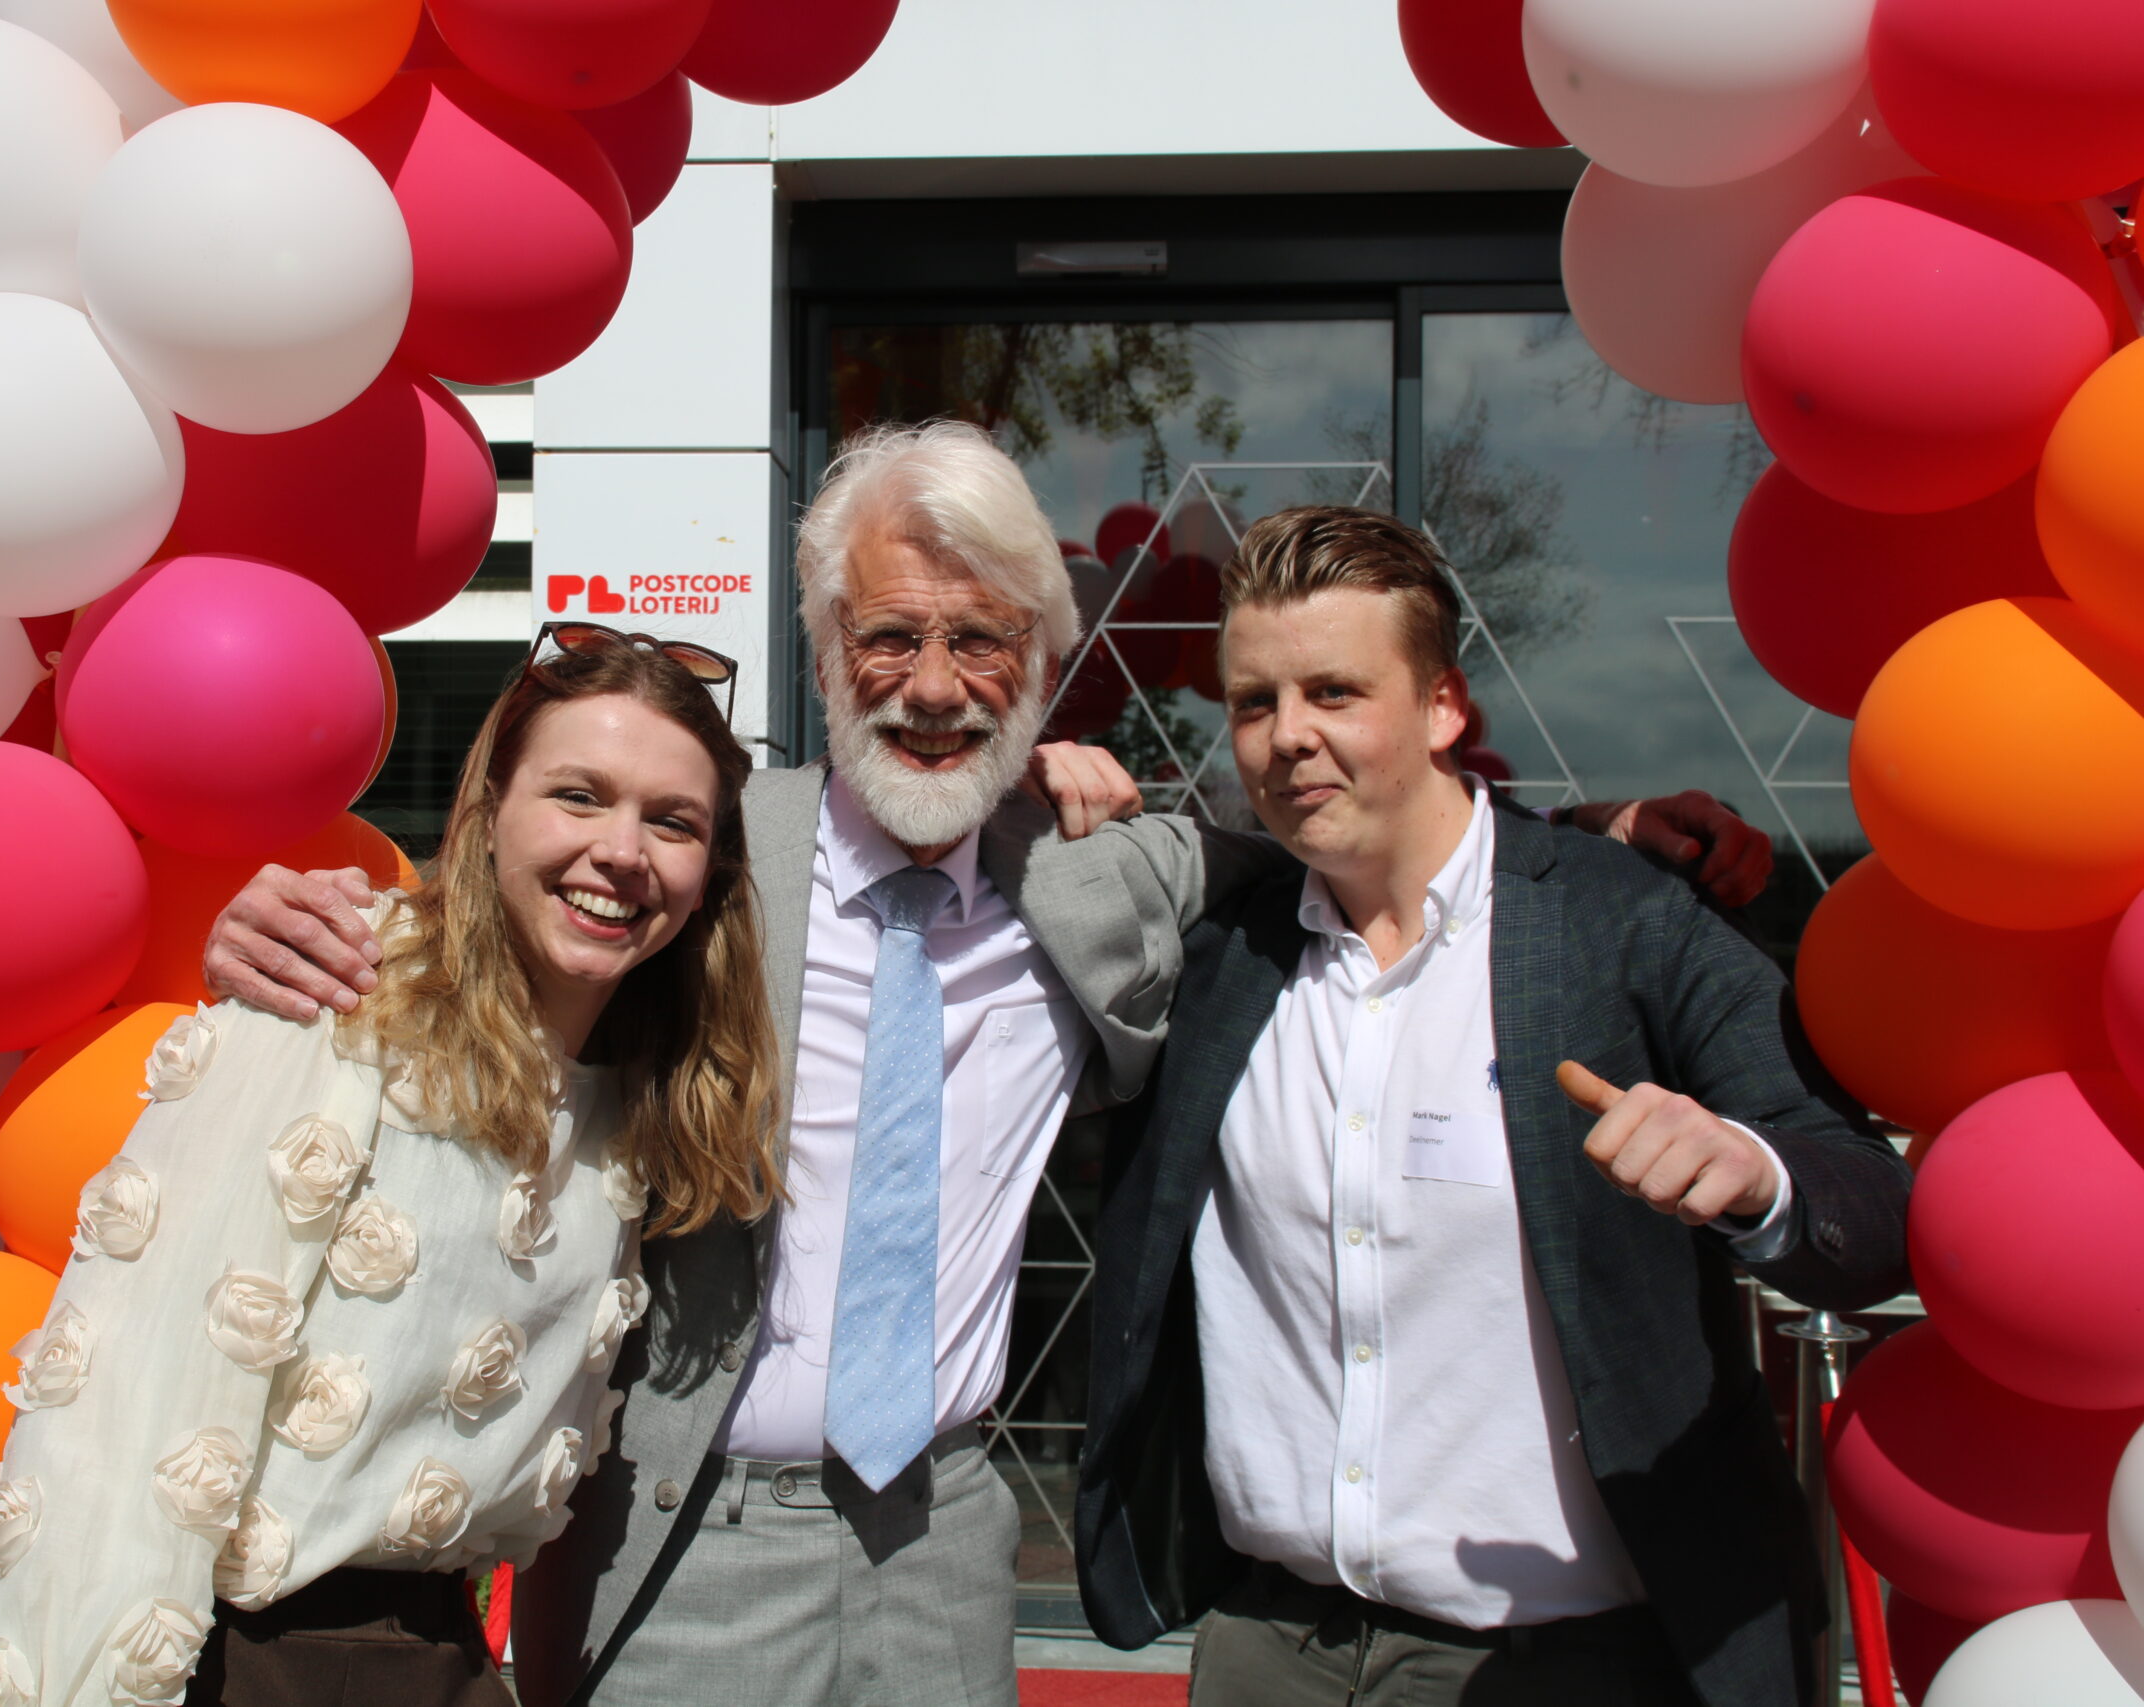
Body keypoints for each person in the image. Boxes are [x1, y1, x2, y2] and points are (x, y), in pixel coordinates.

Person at [202, 424, 1776, 1707]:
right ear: (827, 647)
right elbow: (511, 929)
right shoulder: (704, 854)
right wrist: (299, 929)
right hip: (685, 1535)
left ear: (1041, 661)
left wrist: (1599, 836)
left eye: (981, 639)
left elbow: (1341, 832)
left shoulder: (1102, 870)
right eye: (889, 634)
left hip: (950, 1532)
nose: (935, 684)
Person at [1075, 507, 1911, 1707]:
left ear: (1443, 708)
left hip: (1559, 1663)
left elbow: (1869, 1202)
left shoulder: (1618, 924)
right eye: (1253, 703)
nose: (1287, 738)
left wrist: (1752, 1173)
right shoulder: (1219, 958)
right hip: (1266, 1646)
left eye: (1334, 692)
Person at [0, 630, 782, 1707]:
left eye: (671, 822)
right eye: (577, 795)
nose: (622, 850)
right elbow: (123, 1408)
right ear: (486, 816)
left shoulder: (636, 1099)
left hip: (451, 1654)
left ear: (710, 874)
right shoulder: (340, 1000)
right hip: (247, 1661)